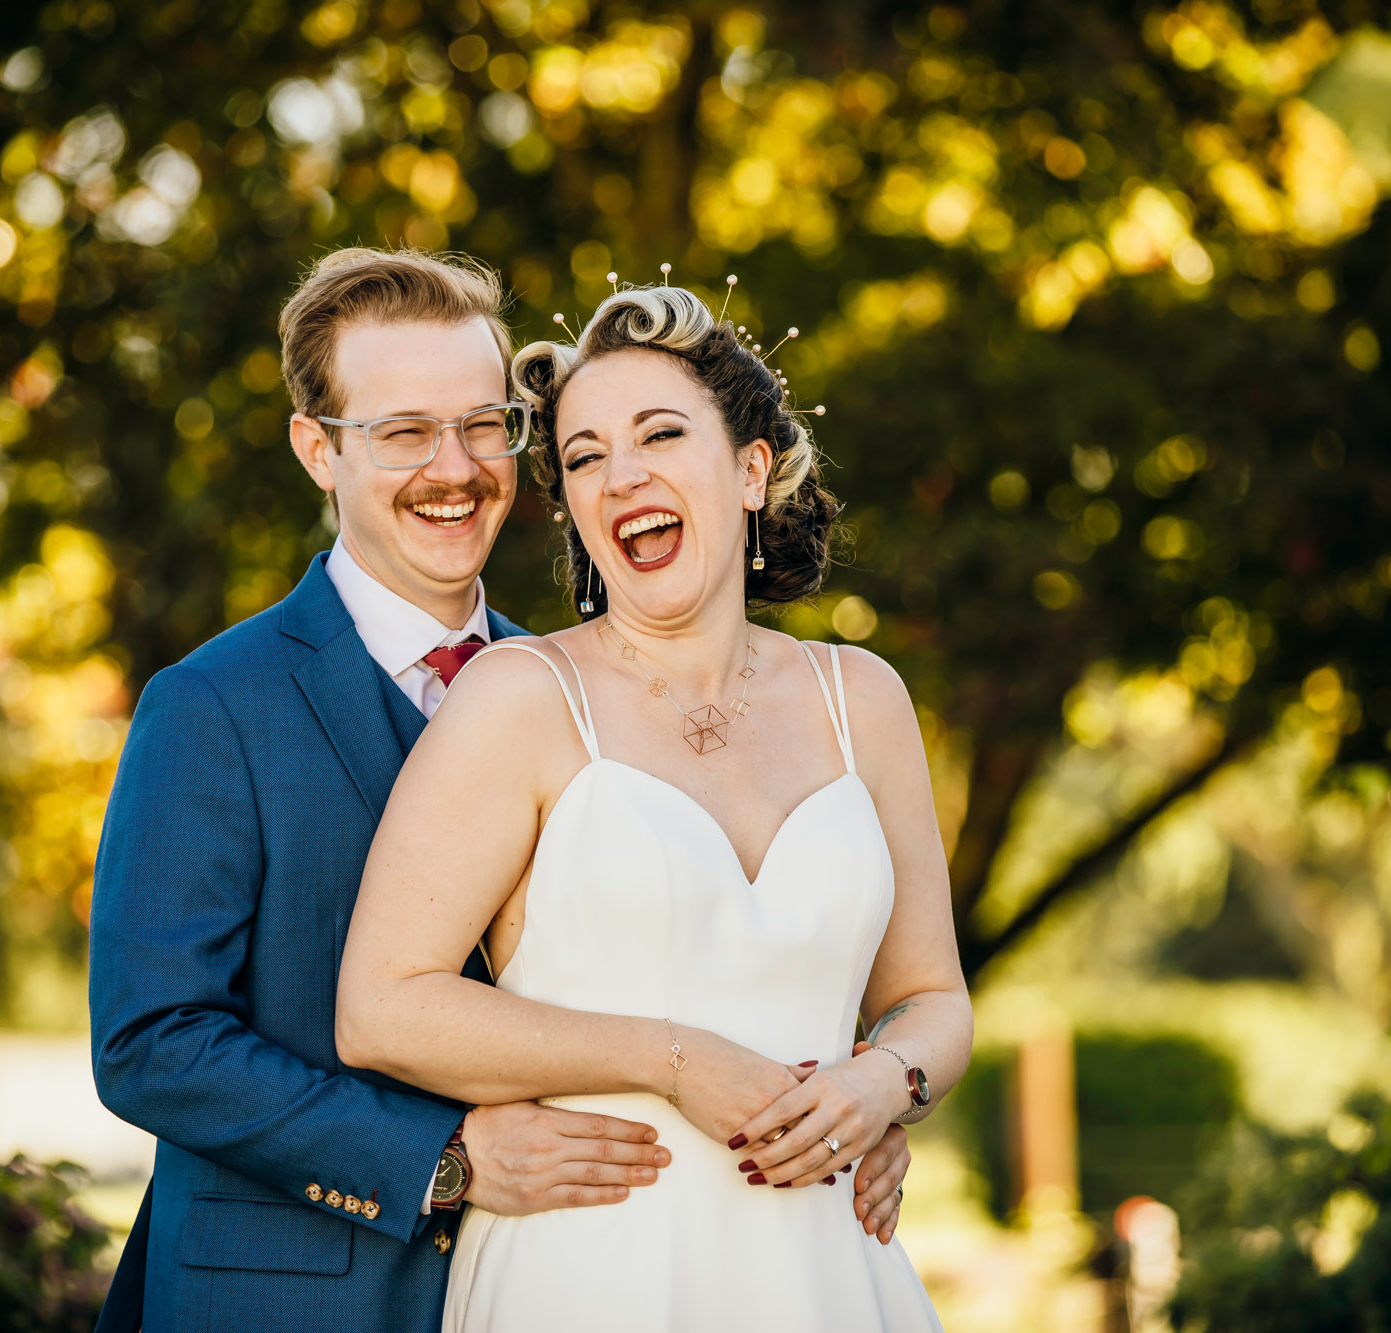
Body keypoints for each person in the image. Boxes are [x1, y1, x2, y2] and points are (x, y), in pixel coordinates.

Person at [88, 248, 910, 1333]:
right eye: (401, 432)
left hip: (586, 1274)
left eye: (483, 424)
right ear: (316, 450)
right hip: (292, 1295)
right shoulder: (212, 705)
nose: (455, 466)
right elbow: (151, 1042)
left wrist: (858, 1100)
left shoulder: (578, 691)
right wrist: (440, 1162)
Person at [337, 282, 974, 1331]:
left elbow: (933, 999)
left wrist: (881, 1084)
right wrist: (668, 1059)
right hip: (591, 1265)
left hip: (829, 1269)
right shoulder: (518, 699)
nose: (619, 473)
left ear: (750, 469)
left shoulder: (862, 700)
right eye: (584, 456)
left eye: (659, 434)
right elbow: (381, 1007)